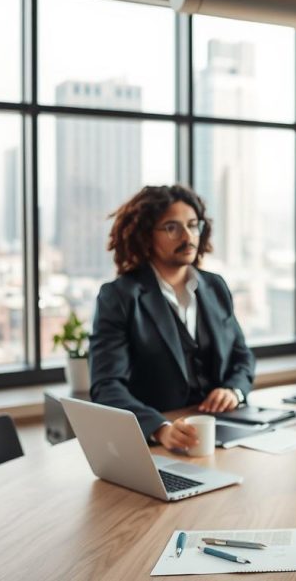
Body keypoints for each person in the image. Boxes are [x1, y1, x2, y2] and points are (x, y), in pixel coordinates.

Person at [89, 184, 255, 453]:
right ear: (146, 236)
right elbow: (106, 386)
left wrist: (233, 391)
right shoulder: (118, 297)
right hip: (158, 444)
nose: (187, 236)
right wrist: (159, 428)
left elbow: (242, 356)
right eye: (172, 227)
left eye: (193, 225)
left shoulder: (215, 287)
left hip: (226, 431)